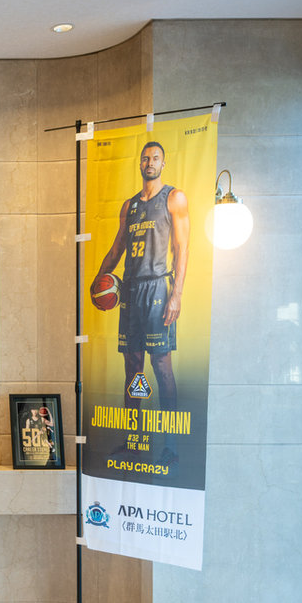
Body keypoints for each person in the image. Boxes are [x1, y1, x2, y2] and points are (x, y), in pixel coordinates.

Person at [92, 141, 189, 455]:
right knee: (132, 367)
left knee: (161, 366)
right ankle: (133, 439)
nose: (150, 162)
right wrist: (98, 279)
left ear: (163, 163)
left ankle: (170, 445)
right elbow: (117, 248)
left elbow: (182, 248)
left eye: (156, 158)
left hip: (158, 288)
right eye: (146, 158)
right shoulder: (129, 206)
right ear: (140, 163)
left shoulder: (174, 198)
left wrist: (177, 294)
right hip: (131, 292)